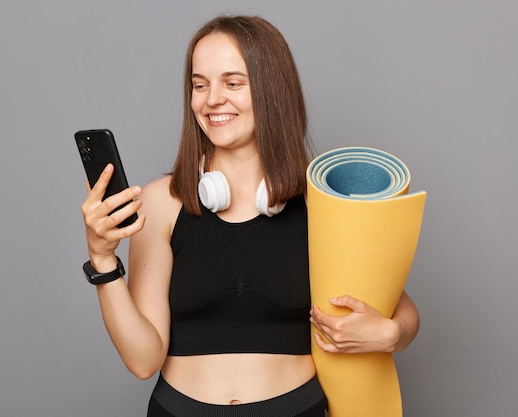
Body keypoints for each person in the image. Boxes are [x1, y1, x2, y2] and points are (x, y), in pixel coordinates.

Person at [80, 15, 420, 417]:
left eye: (233, 83)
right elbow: (142, 360)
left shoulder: (320, 204)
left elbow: (400, 309)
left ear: (272, 90)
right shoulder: (161, 203)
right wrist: (103, 260)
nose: (212, 100)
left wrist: (392, 333)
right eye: (200, 85)